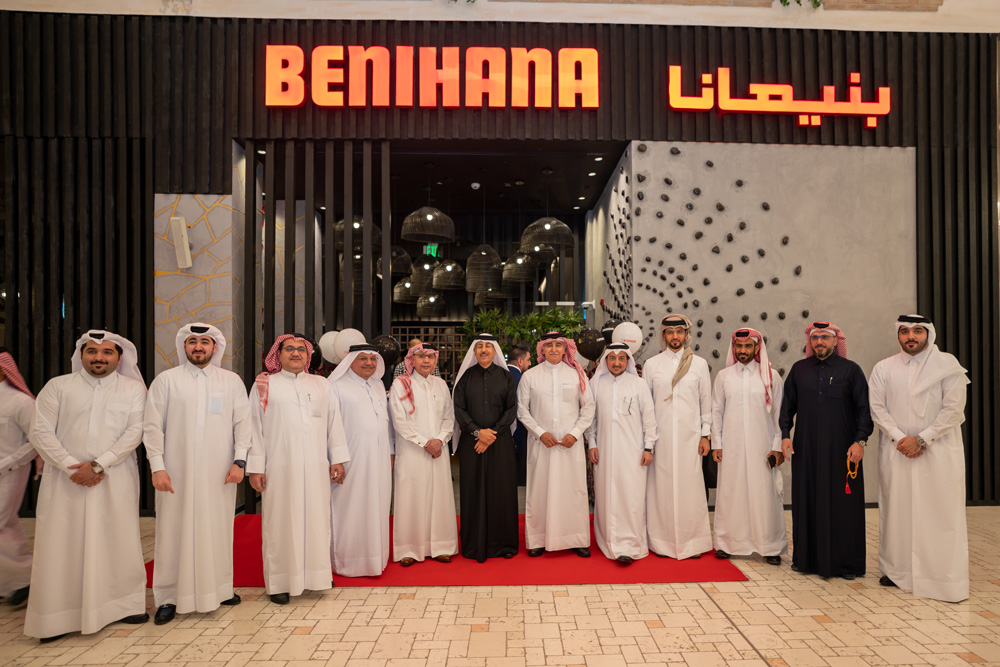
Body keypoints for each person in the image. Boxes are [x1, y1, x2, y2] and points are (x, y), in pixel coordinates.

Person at [25, 330, 149, 641]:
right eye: (92, 351)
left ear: (119, 358)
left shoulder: (134, 390)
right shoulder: (58, 387)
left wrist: (97, 465)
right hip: (64, 481)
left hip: (114, 478)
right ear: (81, 355)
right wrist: (72, 468)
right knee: (61, 544)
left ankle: (123, 606)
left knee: (117, 539)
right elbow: (40, 432)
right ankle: (56, 618)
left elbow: (135, 432)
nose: (99, 357)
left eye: (107, 352)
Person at [143, 323, 251, 624]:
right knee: (172, 532)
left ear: (215, 347)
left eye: (205, 342)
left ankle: (220, 588)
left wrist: (239, 462)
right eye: (192, 342)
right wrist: (158, 467)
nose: (198, 347)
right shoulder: (166, 381)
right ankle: (168, 597)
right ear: (184, 347)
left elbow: (243, 424)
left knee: (217, 529)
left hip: (221, 473)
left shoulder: (231, 381)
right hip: (174, 473)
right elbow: (152, 428)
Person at [869, 315, 969, 602]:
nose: (910, 336)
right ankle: (896, 570)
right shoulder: (883, 368)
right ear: (898, 335)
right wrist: (901, 438)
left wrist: (922, 438)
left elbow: (954, 410)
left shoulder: (947, 366)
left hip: (937, 452)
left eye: (917, 331)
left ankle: (939, 574)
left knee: (938, 512)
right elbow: (877, 408)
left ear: (929, 334)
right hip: (896, 450)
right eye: (904, 331)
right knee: (897, 510)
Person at [247, 334, 348, 604]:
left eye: (301, 350)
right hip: (279, 467)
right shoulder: (263, 385)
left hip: (316, 467)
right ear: (277, 356)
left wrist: (337, 458)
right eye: (289, 349)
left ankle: (317, 576)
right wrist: (255, 466)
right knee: (279, 522)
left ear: (309, 356)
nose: (295, 354)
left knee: (317, 520)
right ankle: (280, 582)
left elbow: (333, 423)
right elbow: (253, 429)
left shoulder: (321, 384)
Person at [779, 321, 873, 580]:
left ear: (835, 341)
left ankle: (845, 564)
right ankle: (806, 560)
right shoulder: (799, 370)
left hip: (843, 452)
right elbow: (787, 407)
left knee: (843, 506)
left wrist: (860, 442)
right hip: (805, 451)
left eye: (825, 338)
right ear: (810, 341)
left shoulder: (851, 371)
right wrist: (785, 436)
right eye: (815, 338)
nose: (819, 342)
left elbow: (864, 410)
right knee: (806, 500)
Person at [710, 329, 787, 565]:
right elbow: (716, 412)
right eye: (739, 346)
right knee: (731, 494)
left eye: (748, 346)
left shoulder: (771, 376)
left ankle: (770, 546)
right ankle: (727, 544)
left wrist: (776, 446)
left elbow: (780, 416)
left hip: (762, 447)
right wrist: (717, 444)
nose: (743, 350)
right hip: (731, 447)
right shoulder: (724, 376)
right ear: (733, 348)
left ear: (757, 348)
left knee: (764, 495)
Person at [517, 331, 596, 558]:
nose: (553, 349)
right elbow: (522, 410)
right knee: (540, 491)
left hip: (570, 446)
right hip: (541, 445)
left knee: (573, 491)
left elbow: (588, 407)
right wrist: (540, 433)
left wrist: (575, 433)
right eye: (549, 345)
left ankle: (576, 539)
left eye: (558, 345)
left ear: (565, 349)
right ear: (542, 349)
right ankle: (538, 540)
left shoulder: (577, 375)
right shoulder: (530, 376)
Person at [643, 315, 713, 559]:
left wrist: (706, 435)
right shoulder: (652, 365)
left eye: (679, 332)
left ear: (686, 334)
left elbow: (706, 402)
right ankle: (661, 542)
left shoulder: (699, 364)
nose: (675, 336)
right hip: (660, 439)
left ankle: (692, 543)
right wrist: (648, 441)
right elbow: (647, 406)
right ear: (663, 335)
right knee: (660, 490)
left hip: (690, 439)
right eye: (670, 332)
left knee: (690, 490)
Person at [584, 342, 657, 563]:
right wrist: (592, 443)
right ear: (606, 360)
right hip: (604, 452)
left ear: (628, 361)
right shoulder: (596, 384)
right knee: (606, 496)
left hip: (633, 453)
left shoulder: (639, 384)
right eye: (612, 358)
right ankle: (608, 542)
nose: (616, 362)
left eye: (621, 358)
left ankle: (631, 544)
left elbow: (650, 420)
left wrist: (648, 447)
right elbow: (590, 419)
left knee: (631, 497)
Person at [388, 343, 458, 566]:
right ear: (412, 360)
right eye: (420, 356)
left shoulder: (440, 385)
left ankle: (441, 546)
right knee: (411, 497)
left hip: (438, 451)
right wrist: (425, 443)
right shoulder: (400, 384)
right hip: (412, 451)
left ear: (435, 360)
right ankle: (409, 549)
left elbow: (449, 417)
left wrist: (440, 440)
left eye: (430, 357)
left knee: (440, 498)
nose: (426, 361)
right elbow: (399, 420)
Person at [452, 333, 519, 562]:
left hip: (500, 443)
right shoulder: (465, 378)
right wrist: (477, 432)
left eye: (488, 346)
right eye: (479, 346)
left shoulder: (506, 376)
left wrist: (491, 434)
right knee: (473, 491)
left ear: (495, 351)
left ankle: (504, 544)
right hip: (472, 444)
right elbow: (459, 410)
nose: (483, 350)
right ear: (473, 351)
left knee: (502, 491)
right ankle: (473, 544)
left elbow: (511, 409)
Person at [328, 343, 393, 577]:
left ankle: (375, 559)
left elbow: (386, 424)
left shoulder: (377, 385)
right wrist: (337, 459)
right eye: (363, 358)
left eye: (373, 359)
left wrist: (391, 453)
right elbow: (331, 427)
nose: (369, 363)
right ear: (350, 361)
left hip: (379, 460)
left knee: (377, 505)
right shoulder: (336, 386)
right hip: (350, 460)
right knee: (351, 508)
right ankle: (347, 562)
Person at [0, 349, 38, 607]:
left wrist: (7, 463)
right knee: (6, 527)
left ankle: (25, 579)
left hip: (9, 474)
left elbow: (37, 441)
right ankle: (16, 583)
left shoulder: (21, 402)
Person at [507, 345, 531, 486]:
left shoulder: (499, 374)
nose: (530, 364)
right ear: (520, 362)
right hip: (518, 432)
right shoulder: (522, 379)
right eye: (528, 360)